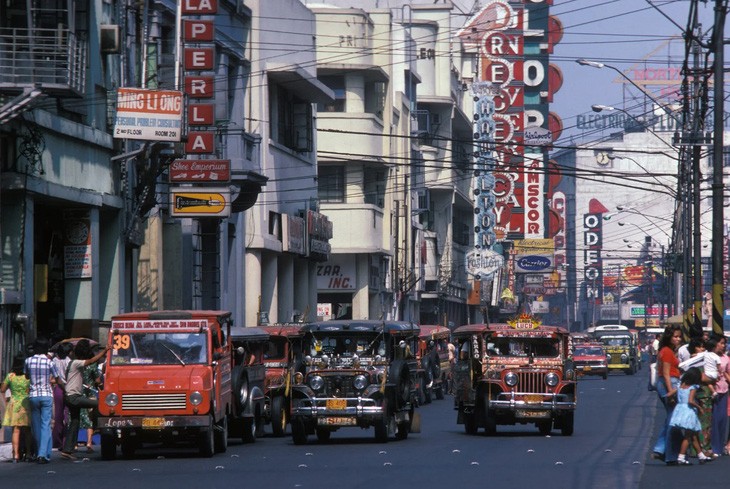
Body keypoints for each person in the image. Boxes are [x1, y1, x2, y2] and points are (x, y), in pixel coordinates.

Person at [60, 340, 109, 460]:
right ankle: (98, 425)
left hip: (71, 396)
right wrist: (105, 351)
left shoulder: (72, 363)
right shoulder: (76, 363)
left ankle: (67, 450)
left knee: (75, 422)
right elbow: (92, 361)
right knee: (100, 403)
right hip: (74, 397)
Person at [652, 325, 683, 465]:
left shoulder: (670, 351)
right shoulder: (666, 351)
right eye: (675, 336)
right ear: (669, 337)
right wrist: (670, 391)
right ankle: (669, 454)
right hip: (668, 384)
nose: (678, 339)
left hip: (670, 383)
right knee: (673, 420)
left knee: (671, 418)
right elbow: (665, 373)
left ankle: (661, 449)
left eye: (679, 337)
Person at [24, 337, 59, 464]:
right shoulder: (50, 362)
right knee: (46, 425)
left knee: (36, 426)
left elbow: (26, 375)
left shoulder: (28, 361)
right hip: (46, 395)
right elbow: (57, 378)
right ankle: (43, 454)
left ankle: (40, 450)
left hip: (33, 395)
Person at [669, 367, 712, 465]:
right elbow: (691, 401)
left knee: (693, 435)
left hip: (680, 410)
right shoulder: (693, 387)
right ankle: (681, 456)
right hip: (689, 412)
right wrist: (699, 407)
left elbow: (669, 394)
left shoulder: (680, 385)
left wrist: (671, 400)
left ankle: (701, 455)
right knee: (688, 436)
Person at [1, 354, 32, 463]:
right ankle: (28, 453)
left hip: (14, 403)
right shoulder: (27, 376)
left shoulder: (10, 376)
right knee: (27, 430)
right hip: (25, 403)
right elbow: (30, 389)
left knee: (16, 430)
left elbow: (2, 389)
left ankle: (16, 455)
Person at [51, 342, 72, 449]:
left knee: (58, 416)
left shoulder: (54, 360)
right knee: (67, 416)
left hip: (58, 389)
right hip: (67, 387)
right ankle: (65, 441)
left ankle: (56, 441)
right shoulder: (69, 361)